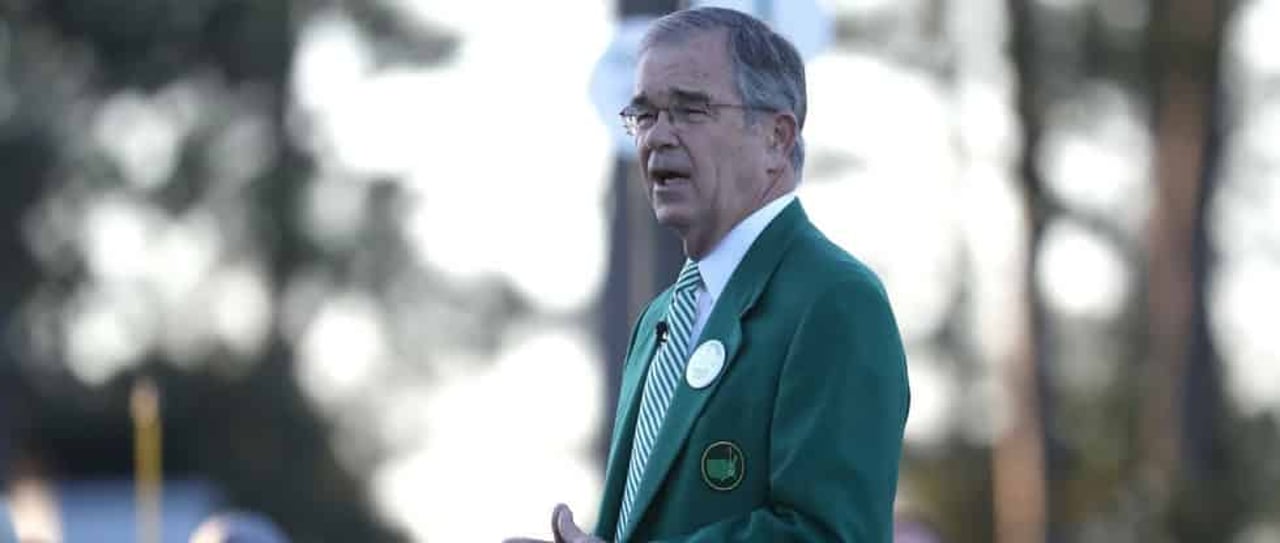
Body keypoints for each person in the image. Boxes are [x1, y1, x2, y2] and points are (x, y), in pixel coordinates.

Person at [509, 7, 909, 542]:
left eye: (690, 110)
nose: (656, 137)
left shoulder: (836, 300)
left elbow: (829, 534)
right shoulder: (661, 317)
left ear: (776, 137)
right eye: (644, 115)